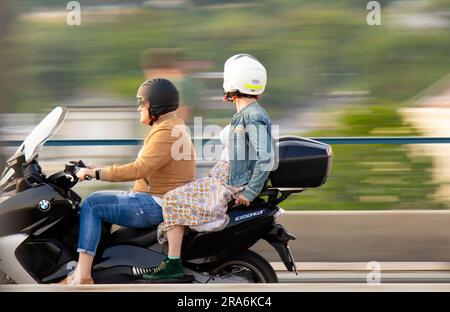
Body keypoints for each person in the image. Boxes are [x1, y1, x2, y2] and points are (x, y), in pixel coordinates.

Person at [142, 54, 274, 281]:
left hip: (229, 182)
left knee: (172, 199)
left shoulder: (253, 116)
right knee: (179, 197)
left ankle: (172, 264)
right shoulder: (246, 113)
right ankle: (180, 257)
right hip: (222, 177)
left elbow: (266, 158)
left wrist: (250, 192)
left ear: (232, 81)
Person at [60, 78, 196, 285]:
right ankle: (91, 269)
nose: (140, 107)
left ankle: (83, 276)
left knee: (92, 204)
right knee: (102, 202)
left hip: (154, 204)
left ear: (157, 104)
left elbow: (138, 169)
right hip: (156, 198)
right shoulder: (173, 127)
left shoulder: (166, 132)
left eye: (143, 102)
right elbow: (144, 168)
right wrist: (95, 169)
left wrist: (96, 174)